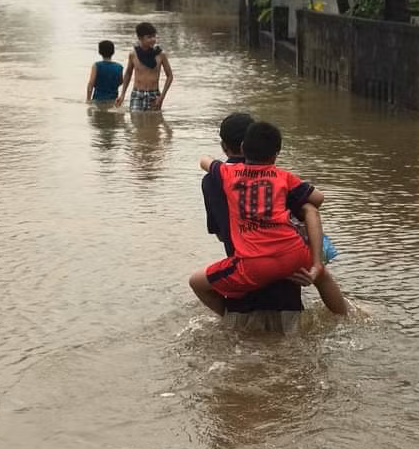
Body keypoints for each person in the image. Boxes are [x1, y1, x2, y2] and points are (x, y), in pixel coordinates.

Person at [190, 121, 348, 316]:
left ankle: (227, 321)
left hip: (254, 264)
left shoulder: (227, 173)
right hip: (294, 254)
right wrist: (315, 265)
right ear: (276, 154)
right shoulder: (283, 176)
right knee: (322, 276)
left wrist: (215, 162)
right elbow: (318, 199)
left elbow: (204, 160)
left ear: (241, 148)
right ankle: (345, 317)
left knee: (196, 282)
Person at [117, 22, 173, 111]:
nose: (153, 39)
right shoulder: (133, 54)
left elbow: (170, 76)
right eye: (149, 37)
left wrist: (161, 97)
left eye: (154, 36)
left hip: (154, 95)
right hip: (137, 94)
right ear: (140, 38)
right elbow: (128, 74)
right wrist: (122, 94)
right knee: (136, 122)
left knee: (153, 123)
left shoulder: (160, 55)